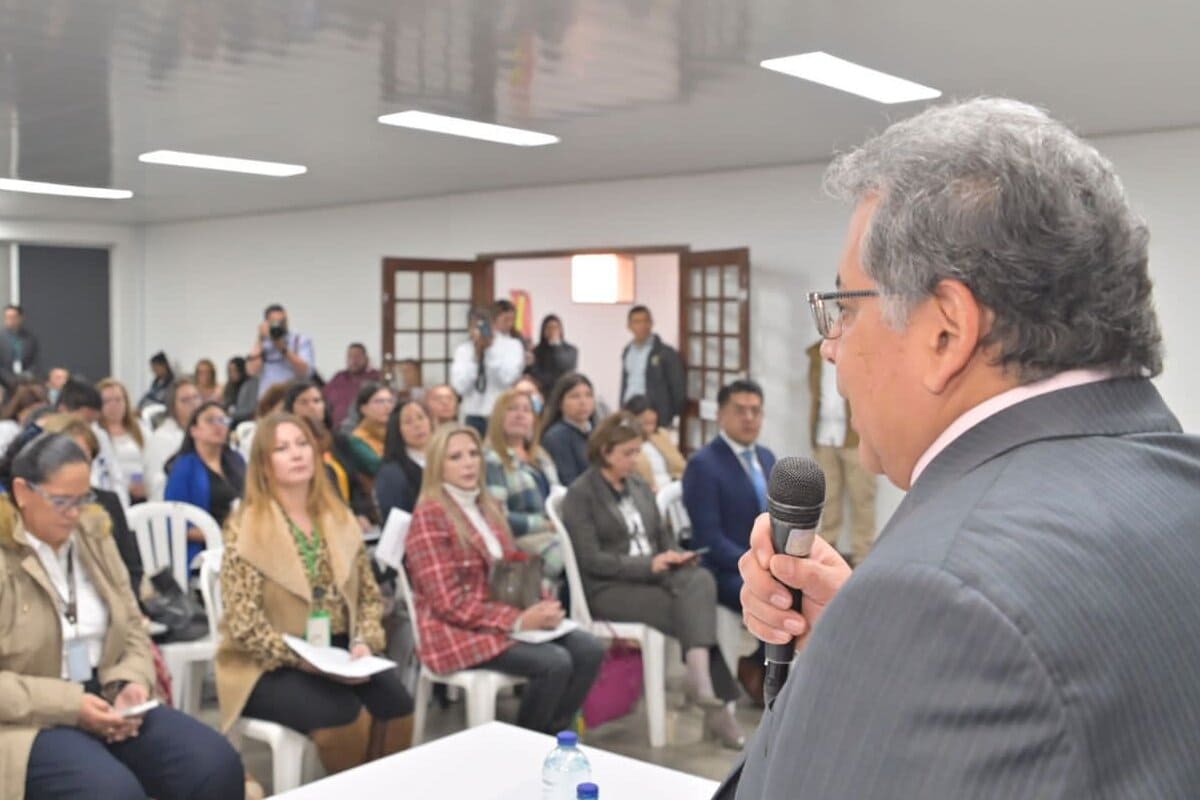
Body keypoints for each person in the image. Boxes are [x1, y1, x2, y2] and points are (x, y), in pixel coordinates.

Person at [719, 98, 1200, 799]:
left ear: (946, 331)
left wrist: (891, 639)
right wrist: (855, 663)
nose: (833, 351)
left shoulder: (937, 597)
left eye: (844, 309)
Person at [0, 432, 244, 800]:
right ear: (22, 491)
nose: (74, 514)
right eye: (61, 501)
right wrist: (71, 705)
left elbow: (131, 624)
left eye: (84, 499)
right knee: (110, 792)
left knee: (213, 763)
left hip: (106, 693)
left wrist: (131, 683)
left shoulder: (93, 534)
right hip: (28, 717)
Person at [216, 414, 413, 775]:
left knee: (397, 705)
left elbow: (369, 597)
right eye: (282, 448)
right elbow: (245, 624)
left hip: (337, 650)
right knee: (344, 717)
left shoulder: (338, 517)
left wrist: (364, 641)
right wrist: (306, 661)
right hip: (268, 662)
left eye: (302, 444)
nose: (296, 454)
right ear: (263, 463)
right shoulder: (245, 526)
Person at [406, 424, 604, 733]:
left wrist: (541, 604)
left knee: (589, 648)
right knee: (555, 663)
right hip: (454, 630)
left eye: (473, 454)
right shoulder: (430, 516)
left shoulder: (487, 506)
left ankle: (551, 734)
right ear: (437, 467)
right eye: (455, 457)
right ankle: (527, 743)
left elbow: (514, 568)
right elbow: (448, 603)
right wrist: (518, 620)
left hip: (503, 617)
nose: (469, 463)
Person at [561, 412, 743, 747]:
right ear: (606, 452)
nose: (635, 460)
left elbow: (662, 536)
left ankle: (701, 684)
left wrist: (675, 555)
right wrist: (649, 565)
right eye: (628, 453)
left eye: (637, 451)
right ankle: (710, 698)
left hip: (654, 577)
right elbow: (592, 561)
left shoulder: (638, 486)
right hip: (608, 588)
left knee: (700, 579)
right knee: (691, 611)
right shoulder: (581, 495)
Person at [681, 379, 773, 704]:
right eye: (740, 411)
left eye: (755, 411)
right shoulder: (704, 464)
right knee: (781, 596)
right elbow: (708, 540)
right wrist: (761, 566)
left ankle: (765, 667)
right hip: (723, 570)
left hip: (763, 564)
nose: (749, 418)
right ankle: (767, 672)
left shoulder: (766, 457)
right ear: (720, 415)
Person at [806, 340, 877, 565]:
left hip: (855, 435)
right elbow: (815, 394)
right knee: (827, 497)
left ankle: (863, 558)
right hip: (824, 434)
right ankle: (826, 556)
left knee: (862, 498)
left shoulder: (861, 349)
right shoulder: (816, 355)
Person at [484, 389, 562, 576]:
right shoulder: (492, 459)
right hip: (522, 539)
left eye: (526, 410)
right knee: (570, 556)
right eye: (512, 409)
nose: (520, 415)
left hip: (556, 532)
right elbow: (498, 517)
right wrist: (546, 525)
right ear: (498, 417)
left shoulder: (542, 457)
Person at [284, 380, 374, 532]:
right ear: (291, 408)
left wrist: (360, 513)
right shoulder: (286, 446)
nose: (312, 406)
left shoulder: (339, 441)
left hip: (349, 522)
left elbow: (356, 485)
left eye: (317, 401)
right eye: (303, 402)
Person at [164, 402, 246, 566]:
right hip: (204, 549)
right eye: (210, 420)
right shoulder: (184, 468)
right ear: (194, 431)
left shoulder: (237, 461)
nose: (218, 426)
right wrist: (222, 535)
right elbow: (176, 522)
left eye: (223, 421)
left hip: (241, 541)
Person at [450, 304, 525, 435]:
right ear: (469, 327)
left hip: (501, 414)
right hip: (472, 415)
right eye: (475, 326)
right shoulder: (463, 350)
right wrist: (477, 356)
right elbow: (460, 387)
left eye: (484, 326)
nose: (480, 330)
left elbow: (507, 379)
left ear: (493, 324)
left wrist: (489, 351)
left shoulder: (512, 346)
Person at [619, 306, 685, 429]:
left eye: (646, 321)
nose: (642, 325)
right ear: (629, 326)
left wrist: (671, 414)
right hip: (630, 409)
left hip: (655, 413)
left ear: (651, 323)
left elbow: (678, 387)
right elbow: (625, 383)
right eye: (637, 322)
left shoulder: (665, 352)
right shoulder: (627, 351)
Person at [95, 378, 151, 505]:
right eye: (107, 401)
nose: (114, 405)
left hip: (141, 493)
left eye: (118, 400)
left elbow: (150, 461)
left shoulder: (141, 429)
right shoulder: (97, 433)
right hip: (113, 494)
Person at [144, 379, 201, 501]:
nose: (193, 404)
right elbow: (157, 484)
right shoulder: (161, 438)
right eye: (185, 400)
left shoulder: (205, 434)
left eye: (196, 397)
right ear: (173, 407)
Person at [374, 399, 432, 519]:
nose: (417, 425)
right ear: (397, 430)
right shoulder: (391, 473)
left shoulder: (445, 459)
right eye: (408, 422)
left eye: (421, 417)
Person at [538, 372, 597, 487]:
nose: (583, 402)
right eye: (575, 396)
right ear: (560, 403)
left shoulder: (597, 432)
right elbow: (568, 481)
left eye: (588, 395)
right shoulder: (556, 437)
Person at [247, 304, 314, 398]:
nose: (279, 325)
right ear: (266, 323)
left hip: (292, 398)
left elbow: (305, 372)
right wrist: (260, 338)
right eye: (275, 322)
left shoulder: (299, 341)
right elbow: (252, 371)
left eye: (283, 322)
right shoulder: (263, 343)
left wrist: (282, 348)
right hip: (267, 399)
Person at [622, 395, 686, 492]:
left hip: (673, 487)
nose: (650, 429)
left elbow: (679, 466)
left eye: (653, 423)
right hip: (648, 493)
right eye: (645, 423)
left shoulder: (661, 435)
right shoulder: (624, 444)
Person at [323, 343, 382, 430]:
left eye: (357, 357)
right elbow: (324, 398)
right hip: (336, 430)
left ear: (366, 359)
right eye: (350, 357)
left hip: (362, 430)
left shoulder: (375, 377)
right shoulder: (339, 377)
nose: (353, 360)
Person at [345, 383, 396, 480]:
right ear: (364, 409)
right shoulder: (357, 440)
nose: (387, 406)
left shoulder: (398, 432)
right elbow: (379, 468)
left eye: (390, 401)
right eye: (379, 402)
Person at [529, 314, 578, 397]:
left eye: (555, 327)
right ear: (543, 331)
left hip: (564, 392)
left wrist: (556, 346)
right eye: (549, 328)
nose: (552, 331)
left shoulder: (571, 350)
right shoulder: (536, 351)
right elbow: (536, 374)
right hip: (544, 393)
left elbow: (567, 370)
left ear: (561, 330)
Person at [0, 303, 39, 390]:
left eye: (13, 317)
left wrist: (27, 375)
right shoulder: (1, 338)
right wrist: (9, 378)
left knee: (35, 389)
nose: (10, 320)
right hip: (4, 380)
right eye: (7, 317)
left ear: (20, 318)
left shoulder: (30, 338)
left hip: (25, 378)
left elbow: (34, 362)